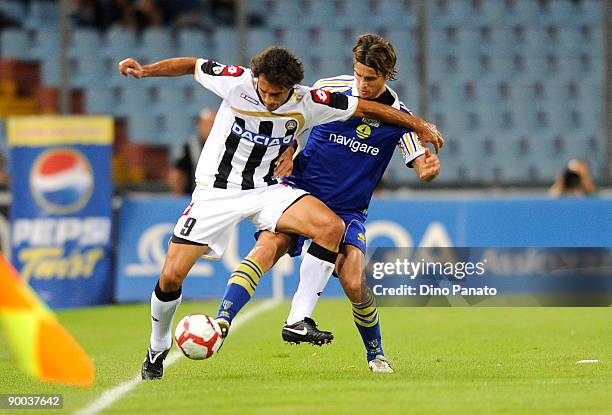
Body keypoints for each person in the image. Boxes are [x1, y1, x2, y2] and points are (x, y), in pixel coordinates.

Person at [118, 46, 444, 380]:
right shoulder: (237, 82)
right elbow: (192, 64)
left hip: (270, 190)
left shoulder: (309, 99)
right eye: (266, 92)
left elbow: (366, 111)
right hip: (217, 193)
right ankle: (159, 347)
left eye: (279, 95)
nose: (271, 100)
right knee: (172, 276)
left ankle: (300, 322)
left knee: (335, 242)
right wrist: (146, 70)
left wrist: (420, 126)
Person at [214, 34, 440, 373]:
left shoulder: (398, 118)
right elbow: (290, 124)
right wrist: (288, 152)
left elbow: (420, 161)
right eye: (358, 75)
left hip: (347, 211)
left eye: (371, 79)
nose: (362, 84)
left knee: (353, 282)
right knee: (269, 245)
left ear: (389, 74)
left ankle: (375, 354)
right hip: (301, 191)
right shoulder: (329, 89)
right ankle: (221, 322)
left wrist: (428, 168)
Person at [167, 108, 216, 195]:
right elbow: (177, 173)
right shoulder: (190, 146)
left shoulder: (225, 145)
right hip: (195, 196)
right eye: (206, 124)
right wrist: (179, 197)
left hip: (220, 196)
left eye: (213, 123)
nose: (209, 127)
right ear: (199, 125)